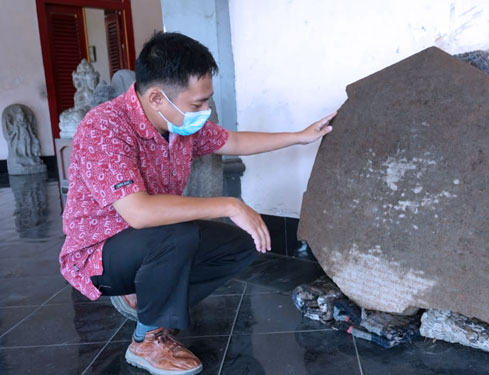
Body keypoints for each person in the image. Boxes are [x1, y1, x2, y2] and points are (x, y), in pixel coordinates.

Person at [59, 31, 335, 375]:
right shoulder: (105, 127)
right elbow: (139, 212)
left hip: (152, 241)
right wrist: (231, 205)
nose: (205, 112)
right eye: (197, 104)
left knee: (243, 243)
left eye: (207, 101)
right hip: (101, 254)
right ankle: (147, 339)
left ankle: (150, 300)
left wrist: (299, 137)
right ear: (158, 97)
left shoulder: (177, 123)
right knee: (178, 236)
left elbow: (231, 140)